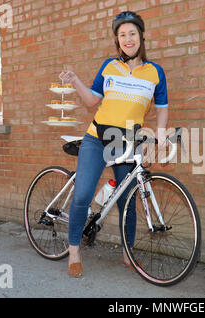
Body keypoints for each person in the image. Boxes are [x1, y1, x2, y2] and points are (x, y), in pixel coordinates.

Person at [59, 11, 169, 277]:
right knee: (84, 193)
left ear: (141, 37)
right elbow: (91, 101)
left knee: (127, 202)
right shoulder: (109, 66)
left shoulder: (155, 72)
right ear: (117, 41)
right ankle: (74, 251)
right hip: (97, 139)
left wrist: (162, 131)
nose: (128, 39)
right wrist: (75, 81)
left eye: (132, 34)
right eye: (122, 35)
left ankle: (127, 255)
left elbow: (162, 107)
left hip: (128, 143)